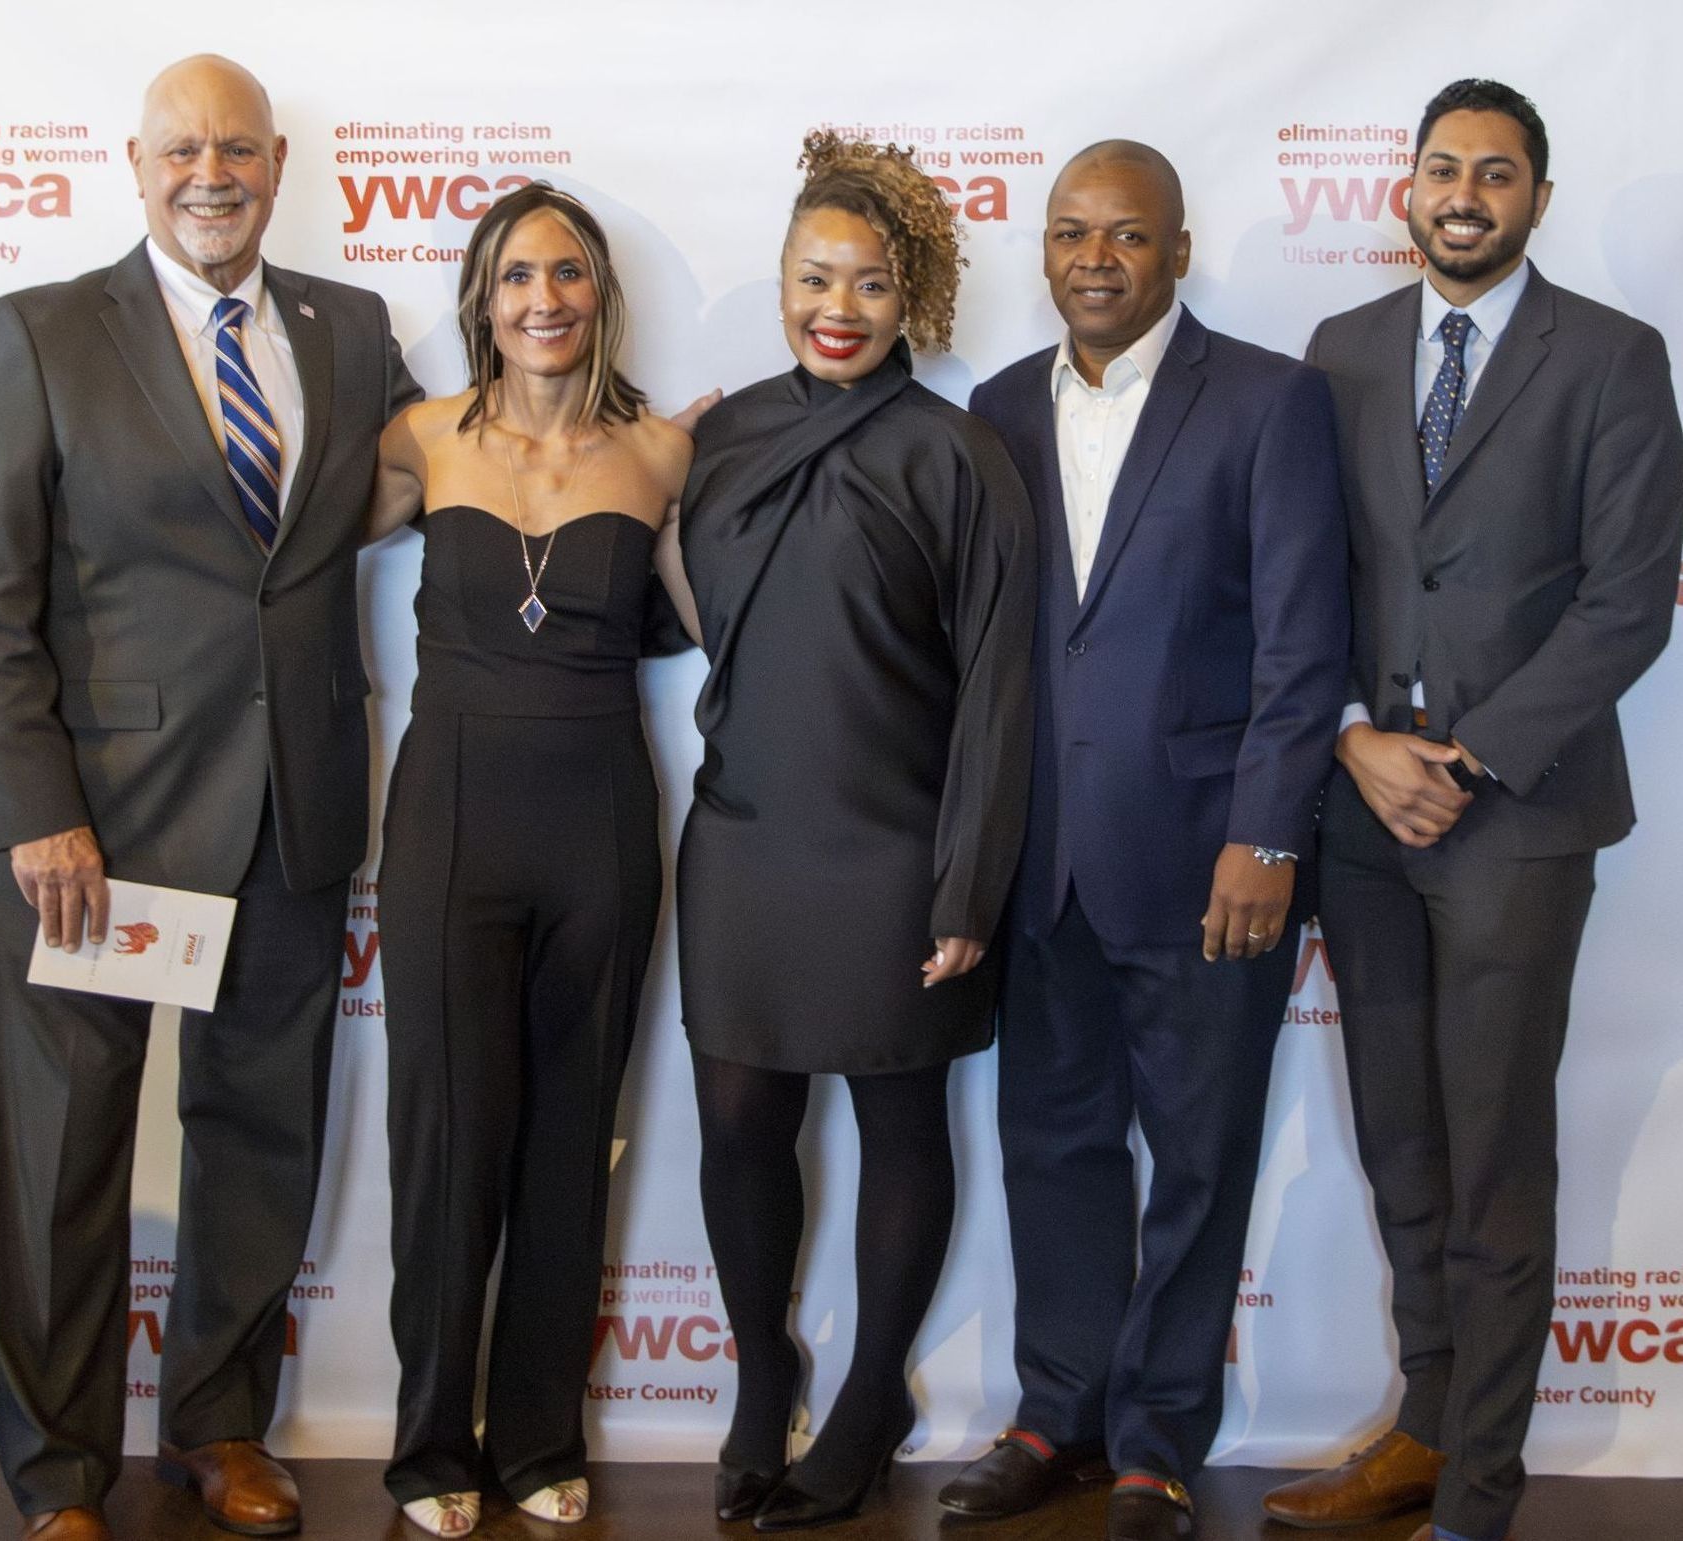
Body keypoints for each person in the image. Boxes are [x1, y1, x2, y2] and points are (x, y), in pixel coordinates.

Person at [0, 55, 418, 1541]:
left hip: (294, 808)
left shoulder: (352, 328)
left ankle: (219, 1425)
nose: (211, 174)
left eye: (236, 147)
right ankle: (56, 1470)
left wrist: (619, 438)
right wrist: (36, 806)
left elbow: (454, 459)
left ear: (279, 163)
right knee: (62, 1156)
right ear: (135, 164)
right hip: (97, 833)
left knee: (261, 1136)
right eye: (183, 149)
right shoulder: (40, 333)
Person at [1262, 81, 1683, 1541]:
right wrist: (1355, 740)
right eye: (1441, 168)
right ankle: (1424, 1433)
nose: (1462, 194)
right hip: (1362, 810)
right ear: (1406, 189)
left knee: (1494, 1159)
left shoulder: (1615, 358)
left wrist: (1469, 757)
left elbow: (1629, 599)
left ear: (1536, 200)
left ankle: (1480, 1493)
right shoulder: (1341, 349)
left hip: (1518, 815)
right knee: (1401, 1146)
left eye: (1494, 174)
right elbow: (1300, 574)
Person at [936, 142, 1348, 1541]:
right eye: (1070, 234)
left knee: (1197, 1160)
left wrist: (1265, 835)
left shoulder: (1269, 399)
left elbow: (1303, 642)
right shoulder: (997, 406)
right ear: (1043, 251)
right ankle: (1058, 1411)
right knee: (1052, 1147)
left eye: (1124, 234)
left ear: (1178, 248)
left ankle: (1157, 1439)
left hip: (1206, 862)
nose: (1094, 259)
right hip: (1043, 858)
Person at [675, 133, 1035, 1532]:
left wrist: (968, 883)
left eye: (872, 284)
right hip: (742, 836)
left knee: (899, 1120)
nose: (839, 308)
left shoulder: (957, 452)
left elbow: (998, 685)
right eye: (815, 277)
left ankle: (875, 1391)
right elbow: (679, 616)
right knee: (736, 1122)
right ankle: (762, 1374)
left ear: (912, 300)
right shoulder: (719, 439)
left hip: (898, 848)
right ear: (780, 280)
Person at [365, 182, 700, 1538]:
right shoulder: (417, 438)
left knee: (572, 1139)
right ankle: (430, 1445)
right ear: (481, 298)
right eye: (516, 276)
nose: (542, 299)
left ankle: (539, 1436)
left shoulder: (663, 454)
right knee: (447, 1139)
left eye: (566, 273)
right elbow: (269, 556)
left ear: (599, 293)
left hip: (601, 823)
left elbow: (729, 623)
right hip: (448, 819)